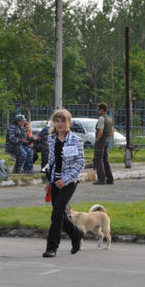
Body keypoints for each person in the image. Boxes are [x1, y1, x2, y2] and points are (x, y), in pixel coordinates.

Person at [42, 108, 85, 258]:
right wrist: (49, 181)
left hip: (69, 182)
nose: (60, 124)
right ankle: (77, 233)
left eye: (63, 121)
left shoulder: (75, 140)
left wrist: (65, 180)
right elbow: (52, 161)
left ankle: (51, 247)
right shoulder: (51, 138)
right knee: (59, 214)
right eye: (57, 121)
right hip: (54, 181)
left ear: (68, 123)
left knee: (56, 215)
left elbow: (80, 164)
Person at [93, 102, 115, 185]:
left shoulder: (101, 118)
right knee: (105, 159)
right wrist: (108, 139)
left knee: (98, 159)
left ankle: (101, 179)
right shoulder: (109, 118)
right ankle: (110, 179)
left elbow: (100, 131)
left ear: (102, 110)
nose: (98, 111)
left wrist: (97, 140)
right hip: (107, 139)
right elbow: (112, 132)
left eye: (98, 109)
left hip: (101, 140)